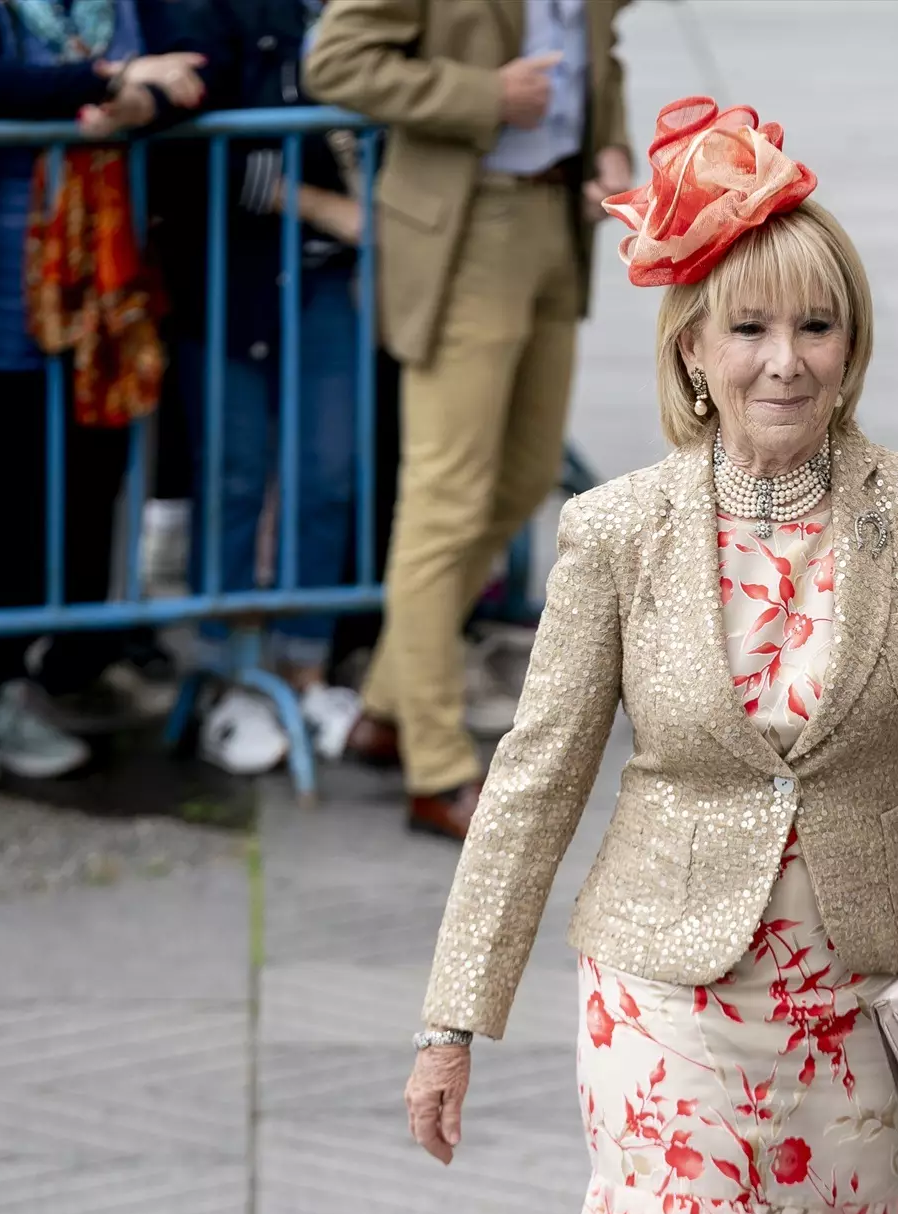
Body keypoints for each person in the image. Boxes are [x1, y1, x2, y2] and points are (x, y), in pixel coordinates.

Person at [400, 99, 898, 1214]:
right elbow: (533, 783)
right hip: (663, 987)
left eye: (817, 326)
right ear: (692, 351)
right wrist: (450, 1018)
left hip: (863, 996)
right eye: (750, 327)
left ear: (852, 345)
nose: (786, 357)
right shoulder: (618, 531)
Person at [304, 0, 631, 839]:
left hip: (557, 220)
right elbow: (335, 63)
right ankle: (436, 765)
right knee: (444, 502)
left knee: (524, 479)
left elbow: (602, 46)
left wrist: (611, 146)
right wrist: (480, 94)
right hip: (463, 224)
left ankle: (384, 705)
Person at [0, 0, 204, 793]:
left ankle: (12, 684)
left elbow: (190, 71)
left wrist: (141, 98)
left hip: (99, 306)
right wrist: (111, 79)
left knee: (60, 507)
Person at [148, 0, 366, 774]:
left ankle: (305, 661)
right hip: (228, 274)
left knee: (329, 471)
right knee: (233, 473)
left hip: (329, 282)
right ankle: (224, 666)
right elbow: (209, 144)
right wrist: (327, 206)